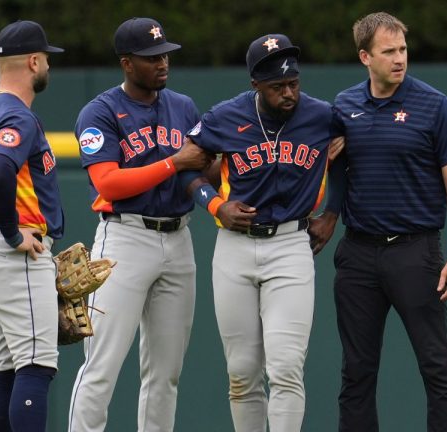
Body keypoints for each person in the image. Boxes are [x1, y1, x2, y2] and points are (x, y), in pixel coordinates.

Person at [311, 11, 447, 432]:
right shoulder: (344, 107)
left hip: (415, 252)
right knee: (357, 372)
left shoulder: (434, 105)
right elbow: (332, 168)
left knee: (437, 367)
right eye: (389, 51)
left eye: (403, 49)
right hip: (359, 253)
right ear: (365, 56)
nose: (399, 59)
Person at [186, 34, 344, 431]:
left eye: (294, 83)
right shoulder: (225, 115)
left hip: (292, 242)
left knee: (287, 365)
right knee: (241, 371)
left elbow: (350, 158)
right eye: (278, 87)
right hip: (235, 247)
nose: (289, 93)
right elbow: (187, 166)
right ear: (255, 85)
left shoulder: (322, 116)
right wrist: (214, 203)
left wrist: (333, 212)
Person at [67, 17, 210, 432]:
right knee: (102, 365)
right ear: (127, 63)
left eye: (164, 54)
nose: (162, 62)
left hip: (178, 237)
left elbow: (200, 169)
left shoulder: (182, 106)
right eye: (151, 57)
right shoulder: (100, 111)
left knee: (166, 372)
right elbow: (108, 183)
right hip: (124, 238)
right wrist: (173, 162)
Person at [0, 20, 65, 432]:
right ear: (35, 62)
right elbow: (0, 171)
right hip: (12, 251)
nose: (48, 69)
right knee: (36, 366)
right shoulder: (17, 115)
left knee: (2, 370)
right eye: (47, 61)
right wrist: (12, 232)